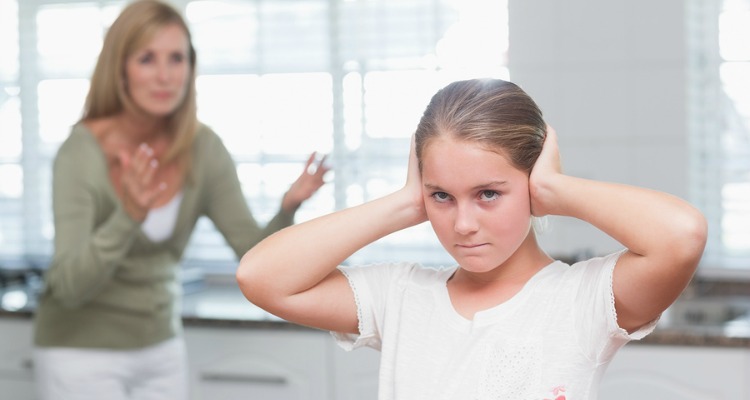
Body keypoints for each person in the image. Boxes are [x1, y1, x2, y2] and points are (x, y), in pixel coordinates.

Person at [236, 78, 707, 399]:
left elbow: (681, 236)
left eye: (488, 194)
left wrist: (555, 189)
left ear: (530, 182)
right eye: (442, 196)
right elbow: (261, 277)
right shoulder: (398, 298)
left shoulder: (581, 301)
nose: (462, 224)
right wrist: (405, 203)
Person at [31, 1, 329, 399]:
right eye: (147, 59)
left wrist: (288, 207)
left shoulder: (203, 148)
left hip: (160, 347)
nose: (165, 75)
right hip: (79, 350)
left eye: (177, 58)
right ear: (120, 68)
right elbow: (67, 285)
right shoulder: (80, 152)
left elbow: (253, 253)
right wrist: (129, 216)